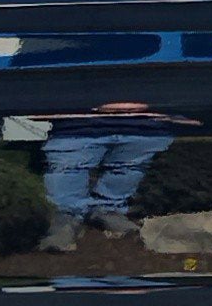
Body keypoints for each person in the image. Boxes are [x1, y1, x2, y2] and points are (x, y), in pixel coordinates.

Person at [34, 100, 192, 248]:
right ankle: (65, 217)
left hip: (146, 126)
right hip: (77, 124)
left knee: (130, 168)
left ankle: (108, 209)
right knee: (68, 168)